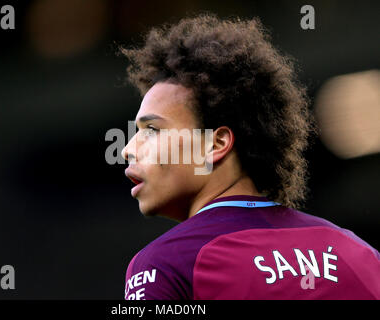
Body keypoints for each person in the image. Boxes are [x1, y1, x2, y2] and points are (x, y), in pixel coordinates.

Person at [119, 14, 380, 300]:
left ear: (215, 144)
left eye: (152, 130)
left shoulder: (165, 265)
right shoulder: (359, 254)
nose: (128, 149)